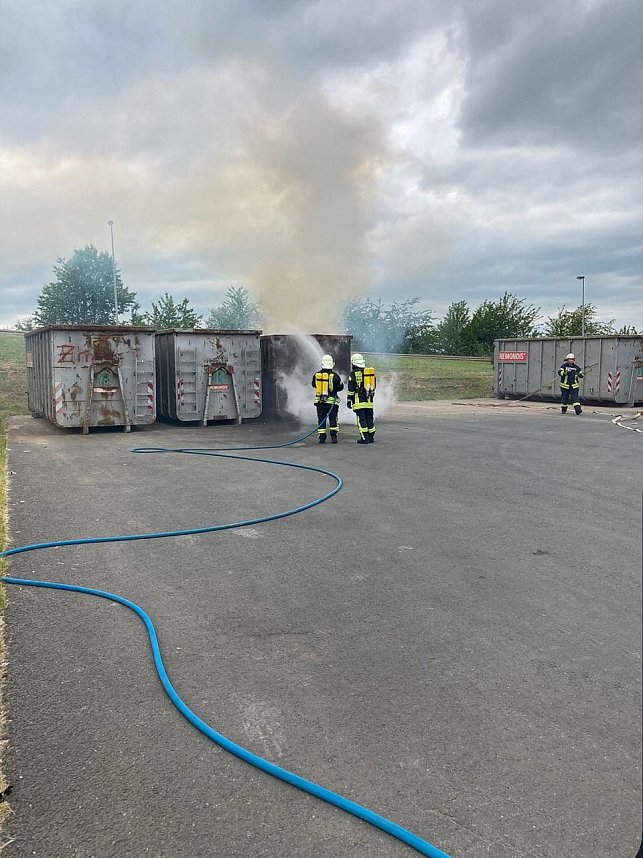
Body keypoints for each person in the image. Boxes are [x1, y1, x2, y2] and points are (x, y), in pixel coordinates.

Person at [311, 354, 344, 443]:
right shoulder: (335, 376)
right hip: (332, 403)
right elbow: (340, 387)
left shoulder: (317, 374)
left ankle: (322, 438)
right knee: (333, 419)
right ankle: (334, 437)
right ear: (332, 364)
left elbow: (314, 385)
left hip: (320, 402)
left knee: (321, 419)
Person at [347, 353, 376, 443]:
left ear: (353, 363)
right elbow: (374, 386)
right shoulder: (369, 372)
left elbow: (351, 388)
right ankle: (371, 437)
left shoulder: (353, 374)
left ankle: (364, 438)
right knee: (370, 419)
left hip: (359, 401)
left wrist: (349, 400)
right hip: (369, 400)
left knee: (361, 419)